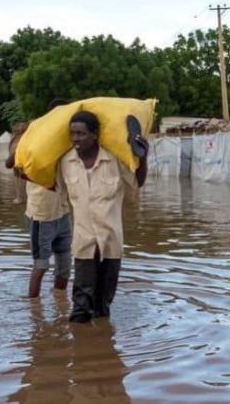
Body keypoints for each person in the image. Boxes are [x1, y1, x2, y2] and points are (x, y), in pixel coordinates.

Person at [57, 111, 147, 323]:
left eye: (81, 133)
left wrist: (143, 158)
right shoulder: (65, 162)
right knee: (80, 307)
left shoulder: (114, 159)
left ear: (95, 134)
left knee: (103, 306)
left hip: (111, 243)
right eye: (73, 134)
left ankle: (102, 347)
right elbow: (55, 189)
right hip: (83, 244)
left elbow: (136, 183)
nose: (76, 138)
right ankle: (81, 351)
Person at [6, 99, 72, 298]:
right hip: (41, 213)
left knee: (65, 267)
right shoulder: (34, 135)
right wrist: (42, 179)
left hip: (62, 211)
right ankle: (34, 312)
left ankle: (60, 304)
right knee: (41, 265)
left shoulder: (68, 138)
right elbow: (12, 165)